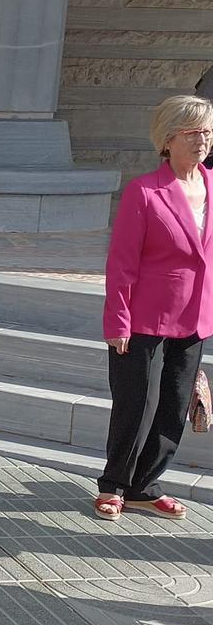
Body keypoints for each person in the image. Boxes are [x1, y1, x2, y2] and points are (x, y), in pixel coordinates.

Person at [98, 94, 213, 522]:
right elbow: (122, 263)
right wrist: (118, 320)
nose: (203, 139)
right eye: (194, 131)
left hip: (196, 318)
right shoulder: (144, 192)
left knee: (173, 406)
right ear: (168, 139)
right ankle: (113, 485)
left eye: (208, 131)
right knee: (135, 405)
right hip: (143, 319)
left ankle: (145, 486)